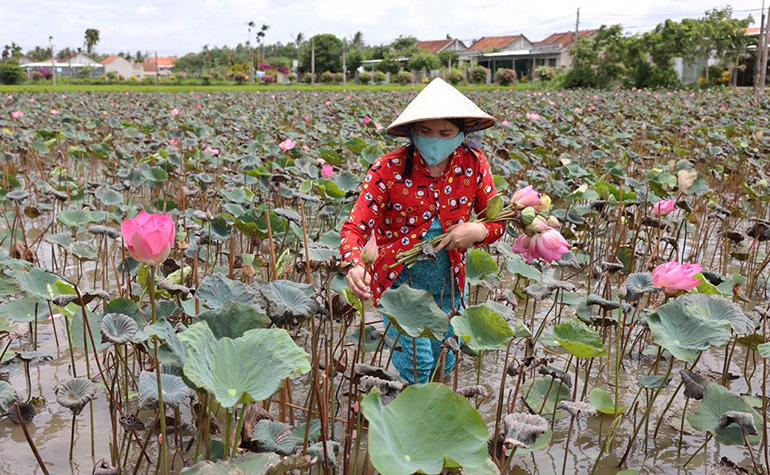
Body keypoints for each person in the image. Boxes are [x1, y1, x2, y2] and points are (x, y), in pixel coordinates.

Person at [340, 78, 504, 384]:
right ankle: (402, 413)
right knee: (419, 364)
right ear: (412, 132)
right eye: (426, 132)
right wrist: (355, 263)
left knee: (447, 358)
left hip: (450, 285)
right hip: (400, 285)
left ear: (461, 133)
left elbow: (498, 223)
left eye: (445, 133)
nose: (434, 140)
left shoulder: (475, 164)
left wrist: (478, 231)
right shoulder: (387, 169)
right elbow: (355, 227)